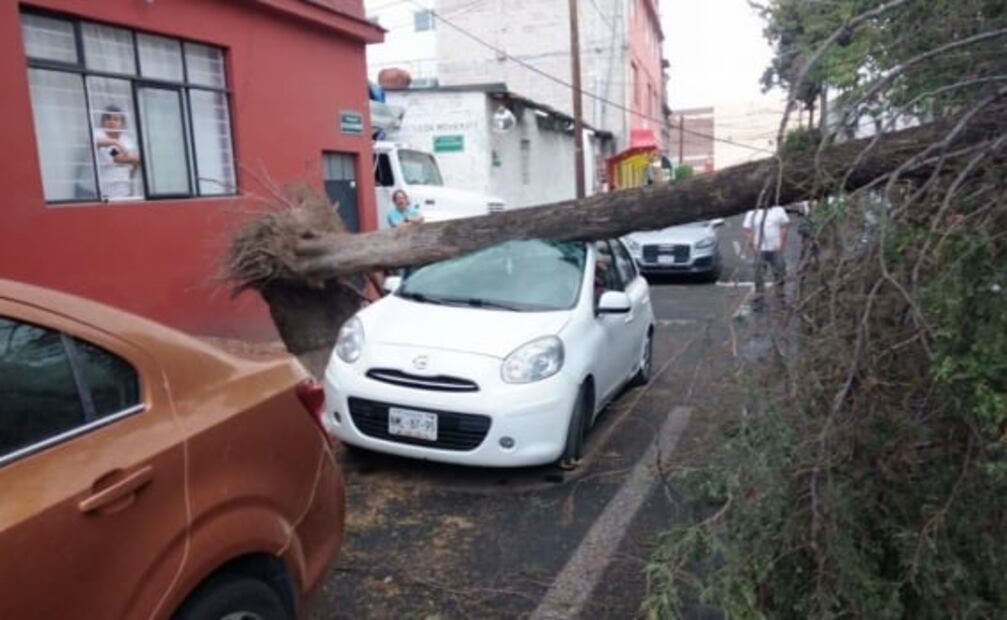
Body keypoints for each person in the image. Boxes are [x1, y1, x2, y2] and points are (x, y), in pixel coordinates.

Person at [743, 205, 790, 309]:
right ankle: (759, 299)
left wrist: (781, 244)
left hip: (775, 249)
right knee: (758, 275)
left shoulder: (778, 210)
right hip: (760, 250)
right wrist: (753, 245)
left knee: (780, 272)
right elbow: (747, 230)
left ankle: (780, 299)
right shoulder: (752, 212)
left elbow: (784, 227)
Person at [93, 105, 140, 199]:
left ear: (122, 123)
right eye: (108, 118)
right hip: (98, 194)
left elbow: (136, 160)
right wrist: (116, 142)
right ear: (103, 122)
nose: (111, 122)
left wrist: (130, 159)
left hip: (122, 193)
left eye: (116, 119)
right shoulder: (98, 134)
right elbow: (116, 157)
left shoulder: (126, 139)